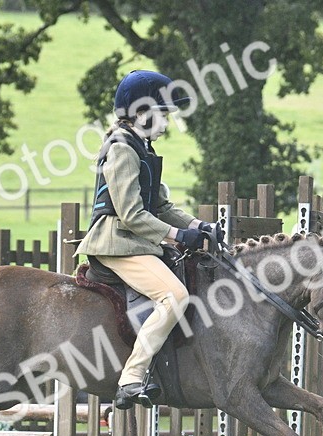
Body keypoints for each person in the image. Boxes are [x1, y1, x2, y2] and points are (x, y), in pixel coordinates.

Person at [75, 70, 221, 410]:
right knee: (174, 295)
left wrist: (200, 226)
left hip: (133, 240)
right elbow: (131, 214)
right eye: (164, 114)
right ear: (142, 113)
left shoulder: (140, 147)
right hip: (116, 242)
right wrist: (177, 235)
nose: (167, 123)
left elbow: (160, 206)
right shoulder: (123, 149)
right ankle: (132, 376)